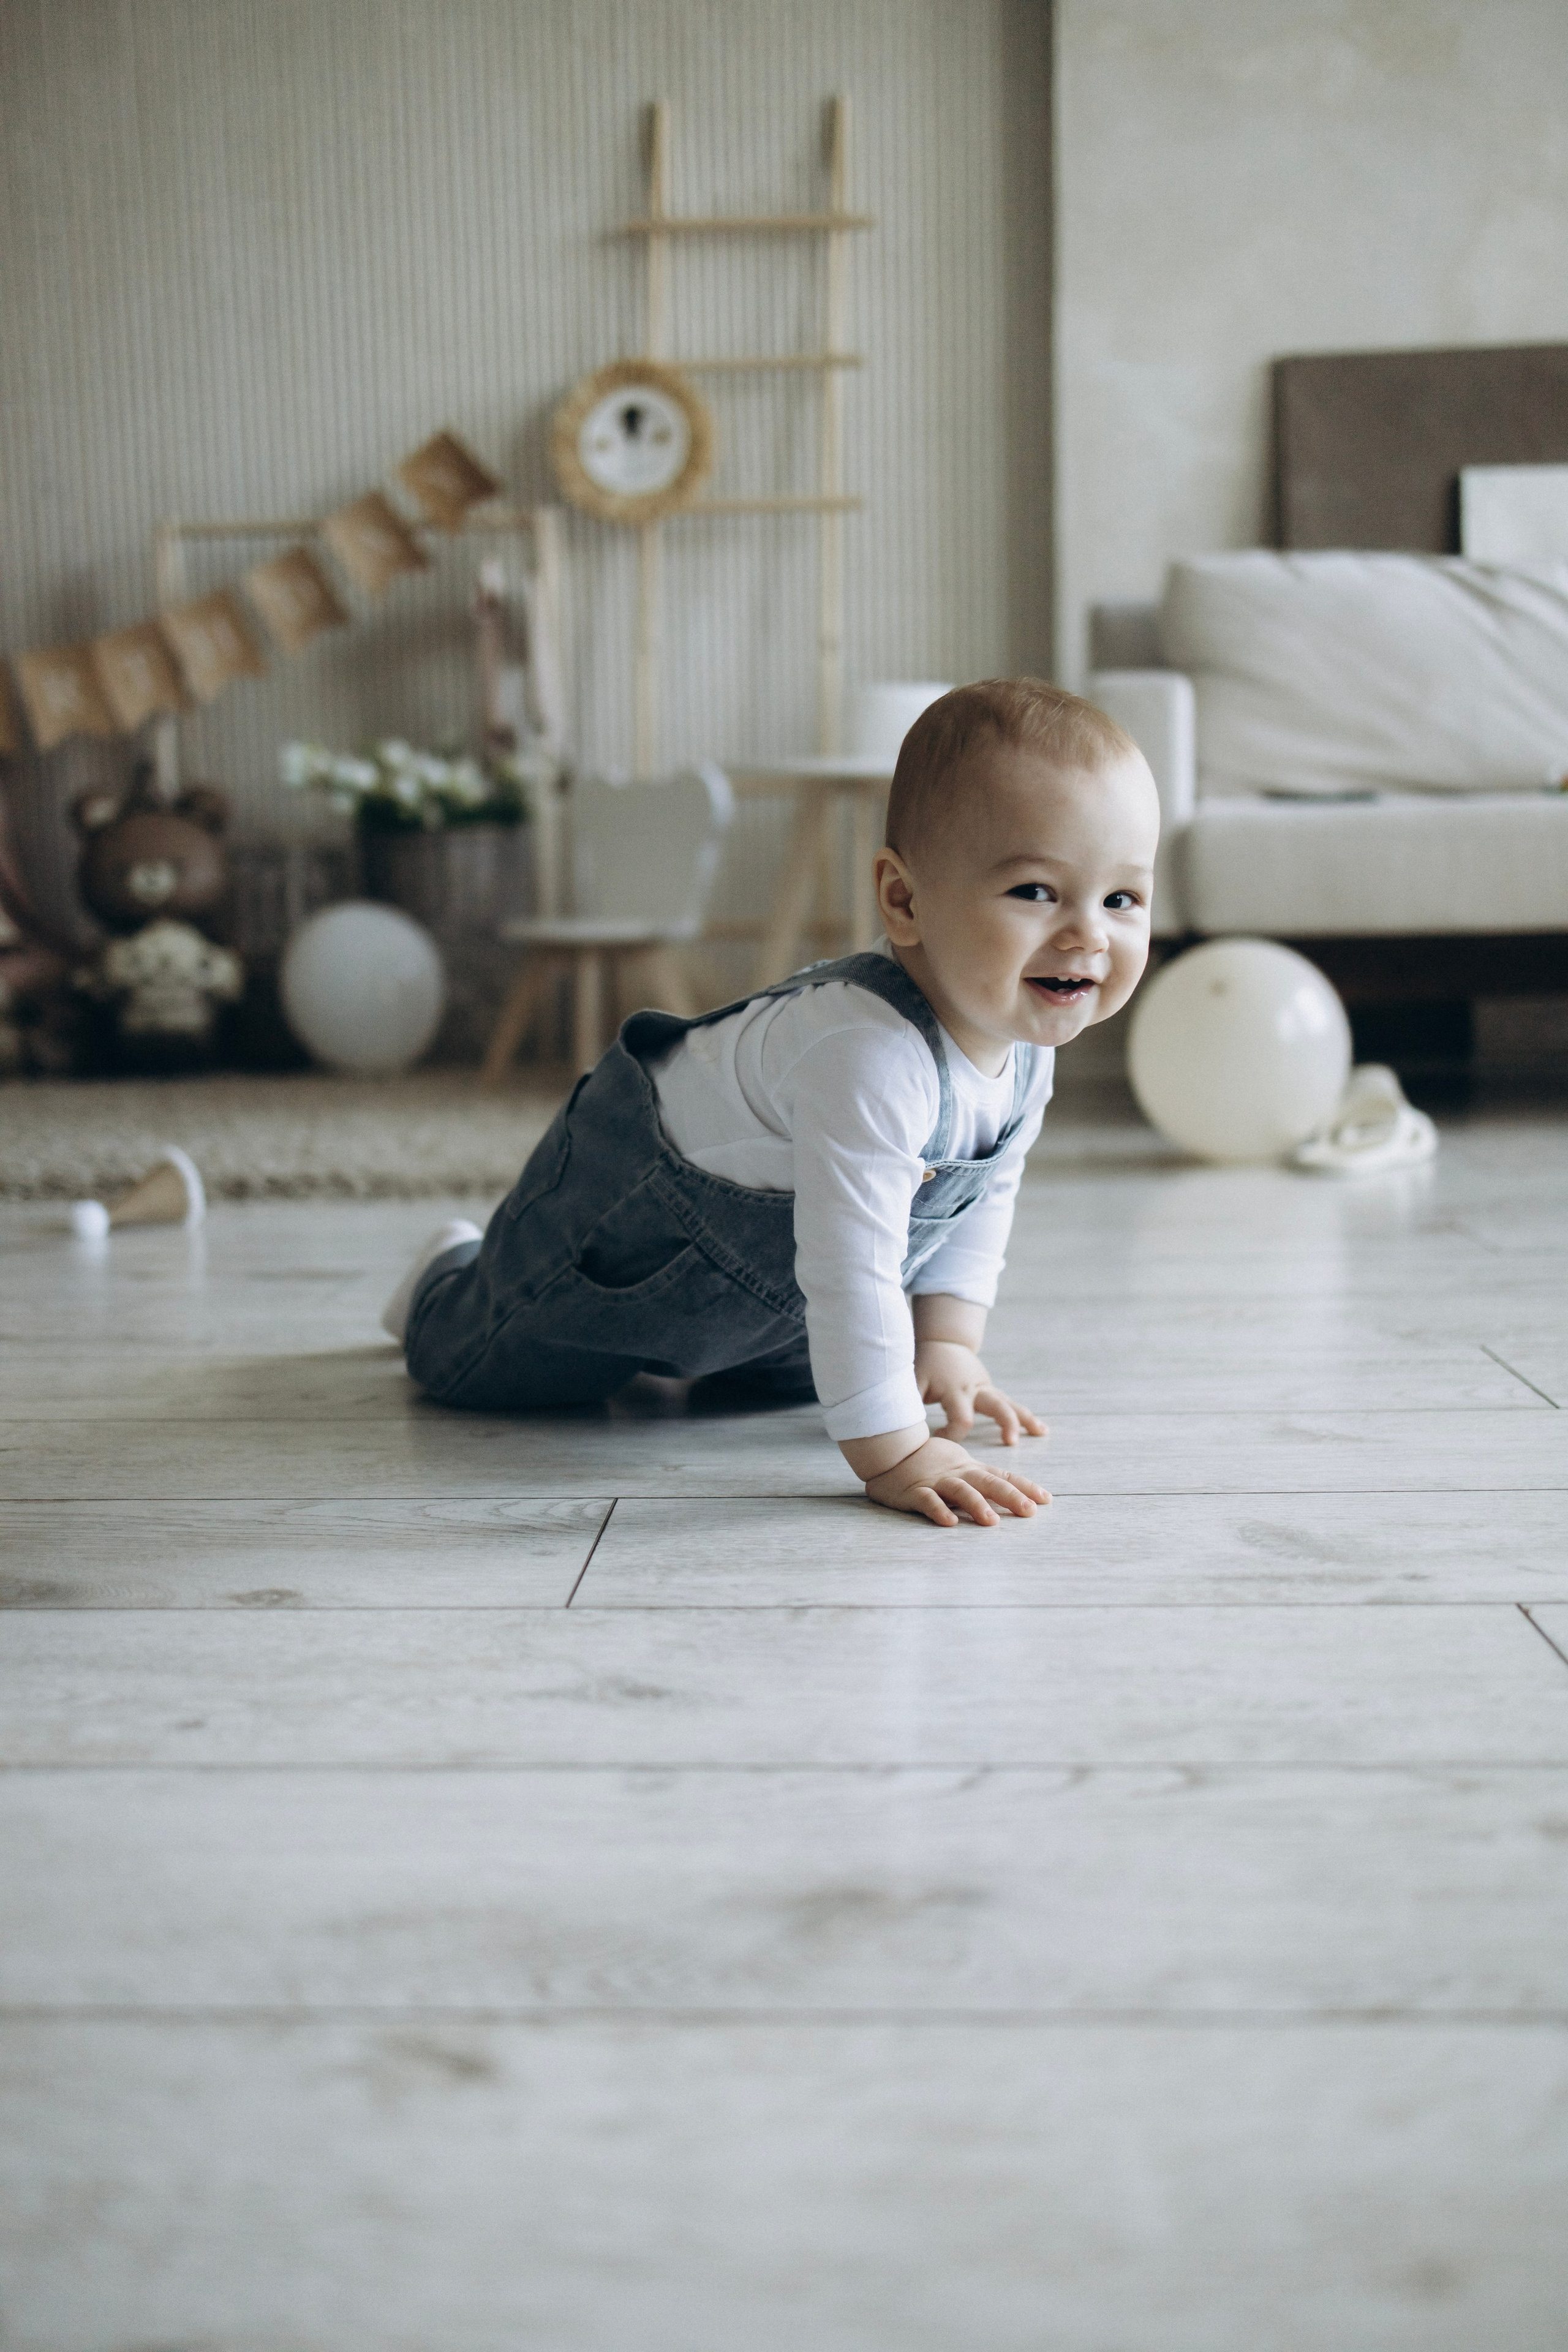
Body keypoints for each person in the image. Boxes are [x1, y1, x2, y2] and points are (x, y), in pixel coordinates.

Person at [384, 678, 1161, 1527]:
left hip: (769, 1276)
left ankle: (719, 1356)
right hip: (626, 1220)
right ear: (904, 901)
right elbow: (851, 1266)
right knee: (494, 1372)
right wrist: (895, 1451)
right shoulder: (867, 1056)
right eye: (1037, 893)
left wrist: (946, 1344)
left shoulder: (1026, 1042)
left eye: (1121, 899)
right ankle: (447, 1276)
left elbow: (983, 1195)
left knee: (819, 1374)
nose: (1089, 934)